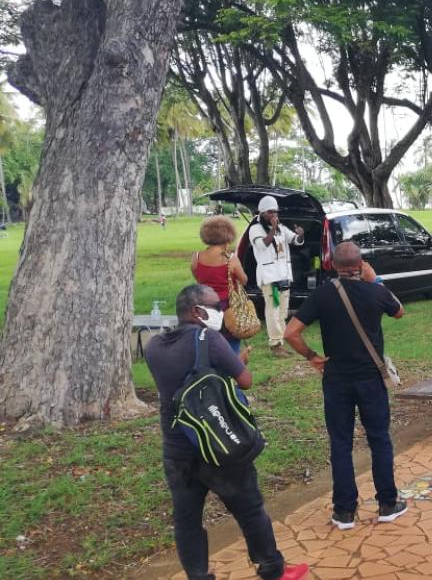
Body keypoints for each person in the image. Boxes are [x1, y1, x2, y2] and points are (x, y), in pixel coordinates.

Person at [145, 285, 308, 580]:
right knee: (249, 509)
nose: (221, 312)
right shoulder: (209, 339)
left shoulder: (154, 347)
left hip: (177, 450)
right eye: (216, 306)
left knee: (187, 520)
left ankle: (198, 575)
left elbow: (181, 381)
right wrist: (237, 364)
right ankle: (272, 569)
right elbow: (245, 381)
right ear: (197, 311)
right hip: (220, 446)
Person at [284, 242, 406, 530]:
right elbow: (399, 311)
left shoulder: (322, 294)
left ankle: (344, 511)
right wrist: (374, 279)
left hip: (336, 378)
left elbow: (291, 332)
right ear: (361, 264)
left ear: (333, 265)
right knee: (379, 439)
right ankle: (388, 503)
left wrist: (312, 356)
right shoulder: (375, 291)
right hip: (370, 378)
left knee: (340, 443)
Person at [249, 195, 305, 357]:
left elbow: (295, 240)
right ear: (262, 213)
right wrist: (273, 229)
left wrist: (300, 234)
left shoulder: (280, 227)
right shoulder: (256, 229)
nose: (274, 215)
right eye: (270, 212)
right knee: (272, 311)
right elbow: (263, 244)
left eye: (275, 212)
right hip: (269, 278)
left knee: (283, 312)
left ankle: (281, 342)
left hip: (284, 275)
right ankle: (275, 344)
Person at [192, 216, 251, 352]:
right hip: (228, 307)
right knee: (231, 343)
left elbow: (197, 278)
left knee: (207, 341)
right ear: (228, 234)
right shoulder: (231, 259)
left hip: (205, 306)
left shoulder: (196, 257)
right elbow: (244, 280)